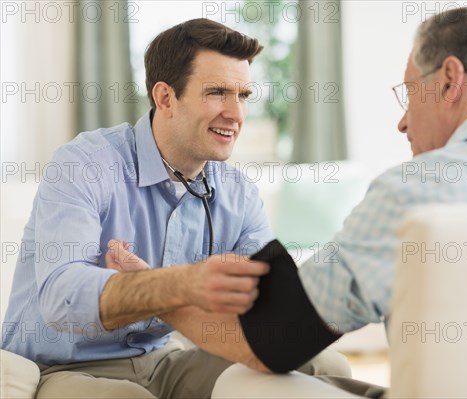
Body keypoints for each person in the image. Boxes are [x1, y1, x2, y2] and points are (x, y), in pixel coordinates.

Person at [105, 5, 467, 387]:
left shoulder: (415, 189)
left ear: (450, 80)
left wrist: (156, 288)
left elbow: (273, 344)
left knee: (248, 383)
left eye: (409, 94)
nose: (402, 121)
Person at [1, 18, 350, 399]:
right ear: (165, 97)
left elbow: (261, 310)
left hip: (164, 360)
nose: (236, 114)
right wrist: (182, 284)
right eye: (217, 92)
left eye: (244, 95)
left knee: (327, 366)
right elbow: (61, 296)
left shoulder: (238, 194)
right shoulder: (85, 164)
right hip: (67, 366)